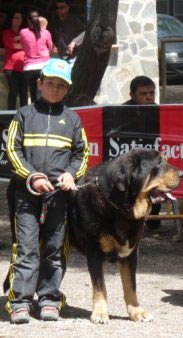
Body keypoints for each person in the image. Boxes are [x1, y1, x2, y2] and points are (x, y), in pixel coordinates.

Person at [4, 58, 89, 324]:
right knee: (27, 247)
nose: (55, 89)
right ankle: (20, 301)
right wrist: (32, 175)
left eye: (61, 85)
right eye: (50, 83)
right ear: (39, 84)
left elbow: (82, 154)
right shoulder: (24, 114)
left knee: (55, 247)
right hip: (26, 193)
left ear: (67, 89)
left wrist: (70, 174)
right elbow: (12, 150)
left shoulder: (73, 119)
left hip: (59, 196)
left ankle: (50, 298)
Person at [122, 75, 161, 230]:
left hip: (153, 161)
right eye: (143, 94)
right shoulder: (120, 113)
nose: (149, 97)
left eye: (151, 93)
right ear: (132, 95)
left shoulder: (159, 111)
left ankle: (154, 221)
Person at [20, 9, 53, 103]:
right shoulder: (46, 33)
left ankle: (35, 114)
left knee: (32, 92)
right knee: (43, 92)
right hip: (43, 66)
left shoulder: (23, 32)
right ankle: (43, 114)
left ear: (28, 20)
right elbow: (50, 48)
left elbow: (24, 47)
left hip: (29, 67)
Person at [2, 10, 28, 109]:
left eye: (20, 18)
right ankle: (11, 117)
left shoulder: (24, 32)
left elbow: (29, 44)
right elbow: (12, 45)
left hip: (25, 67)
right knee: (13, 92)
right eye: (16, 18)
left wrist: (21, 43)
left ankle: (25, 116)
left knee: (24, 93)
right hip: (11, 67)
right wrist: (24, 45)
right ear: (11, 20)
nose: (18, 20)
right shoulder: (6, 32)